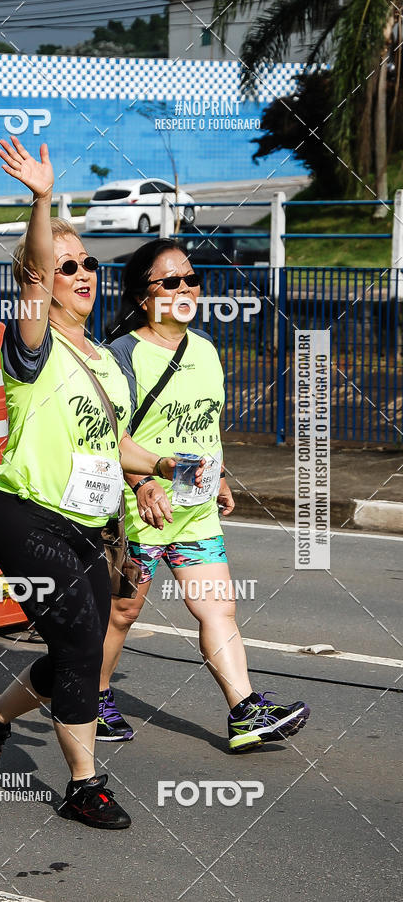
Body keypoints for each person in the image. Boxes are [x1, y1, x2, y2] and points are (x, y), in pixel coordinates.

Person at [0, 139, 206, 829]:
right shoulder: (34, 343)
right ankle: (84, 784)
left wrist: (164, 474)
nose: (83, 273)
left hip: (88, 523)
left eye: (89, 262)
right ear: (42, 278)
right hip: (25, 515)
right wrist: (43, 200)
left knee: (85, 646)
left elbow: (113, 444)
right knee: (74, 642)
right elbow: (35, 275)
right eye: (67, 266)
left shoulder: (104, 356)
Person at [97, 238, 310, 752]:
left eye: (192, 279)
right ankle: (93, 696)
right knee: (121, 614)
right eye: (170, 281)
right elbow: (107, 436)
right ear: (142, 295)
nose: (186, 288)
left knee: (219, 608)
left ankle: (244, 711)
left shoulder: (207, 350)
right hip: (137, 512)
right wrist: (142, 483)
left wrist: (218, 476)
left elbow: (206, 428)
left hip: (193, 510)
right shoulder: (120, 356)